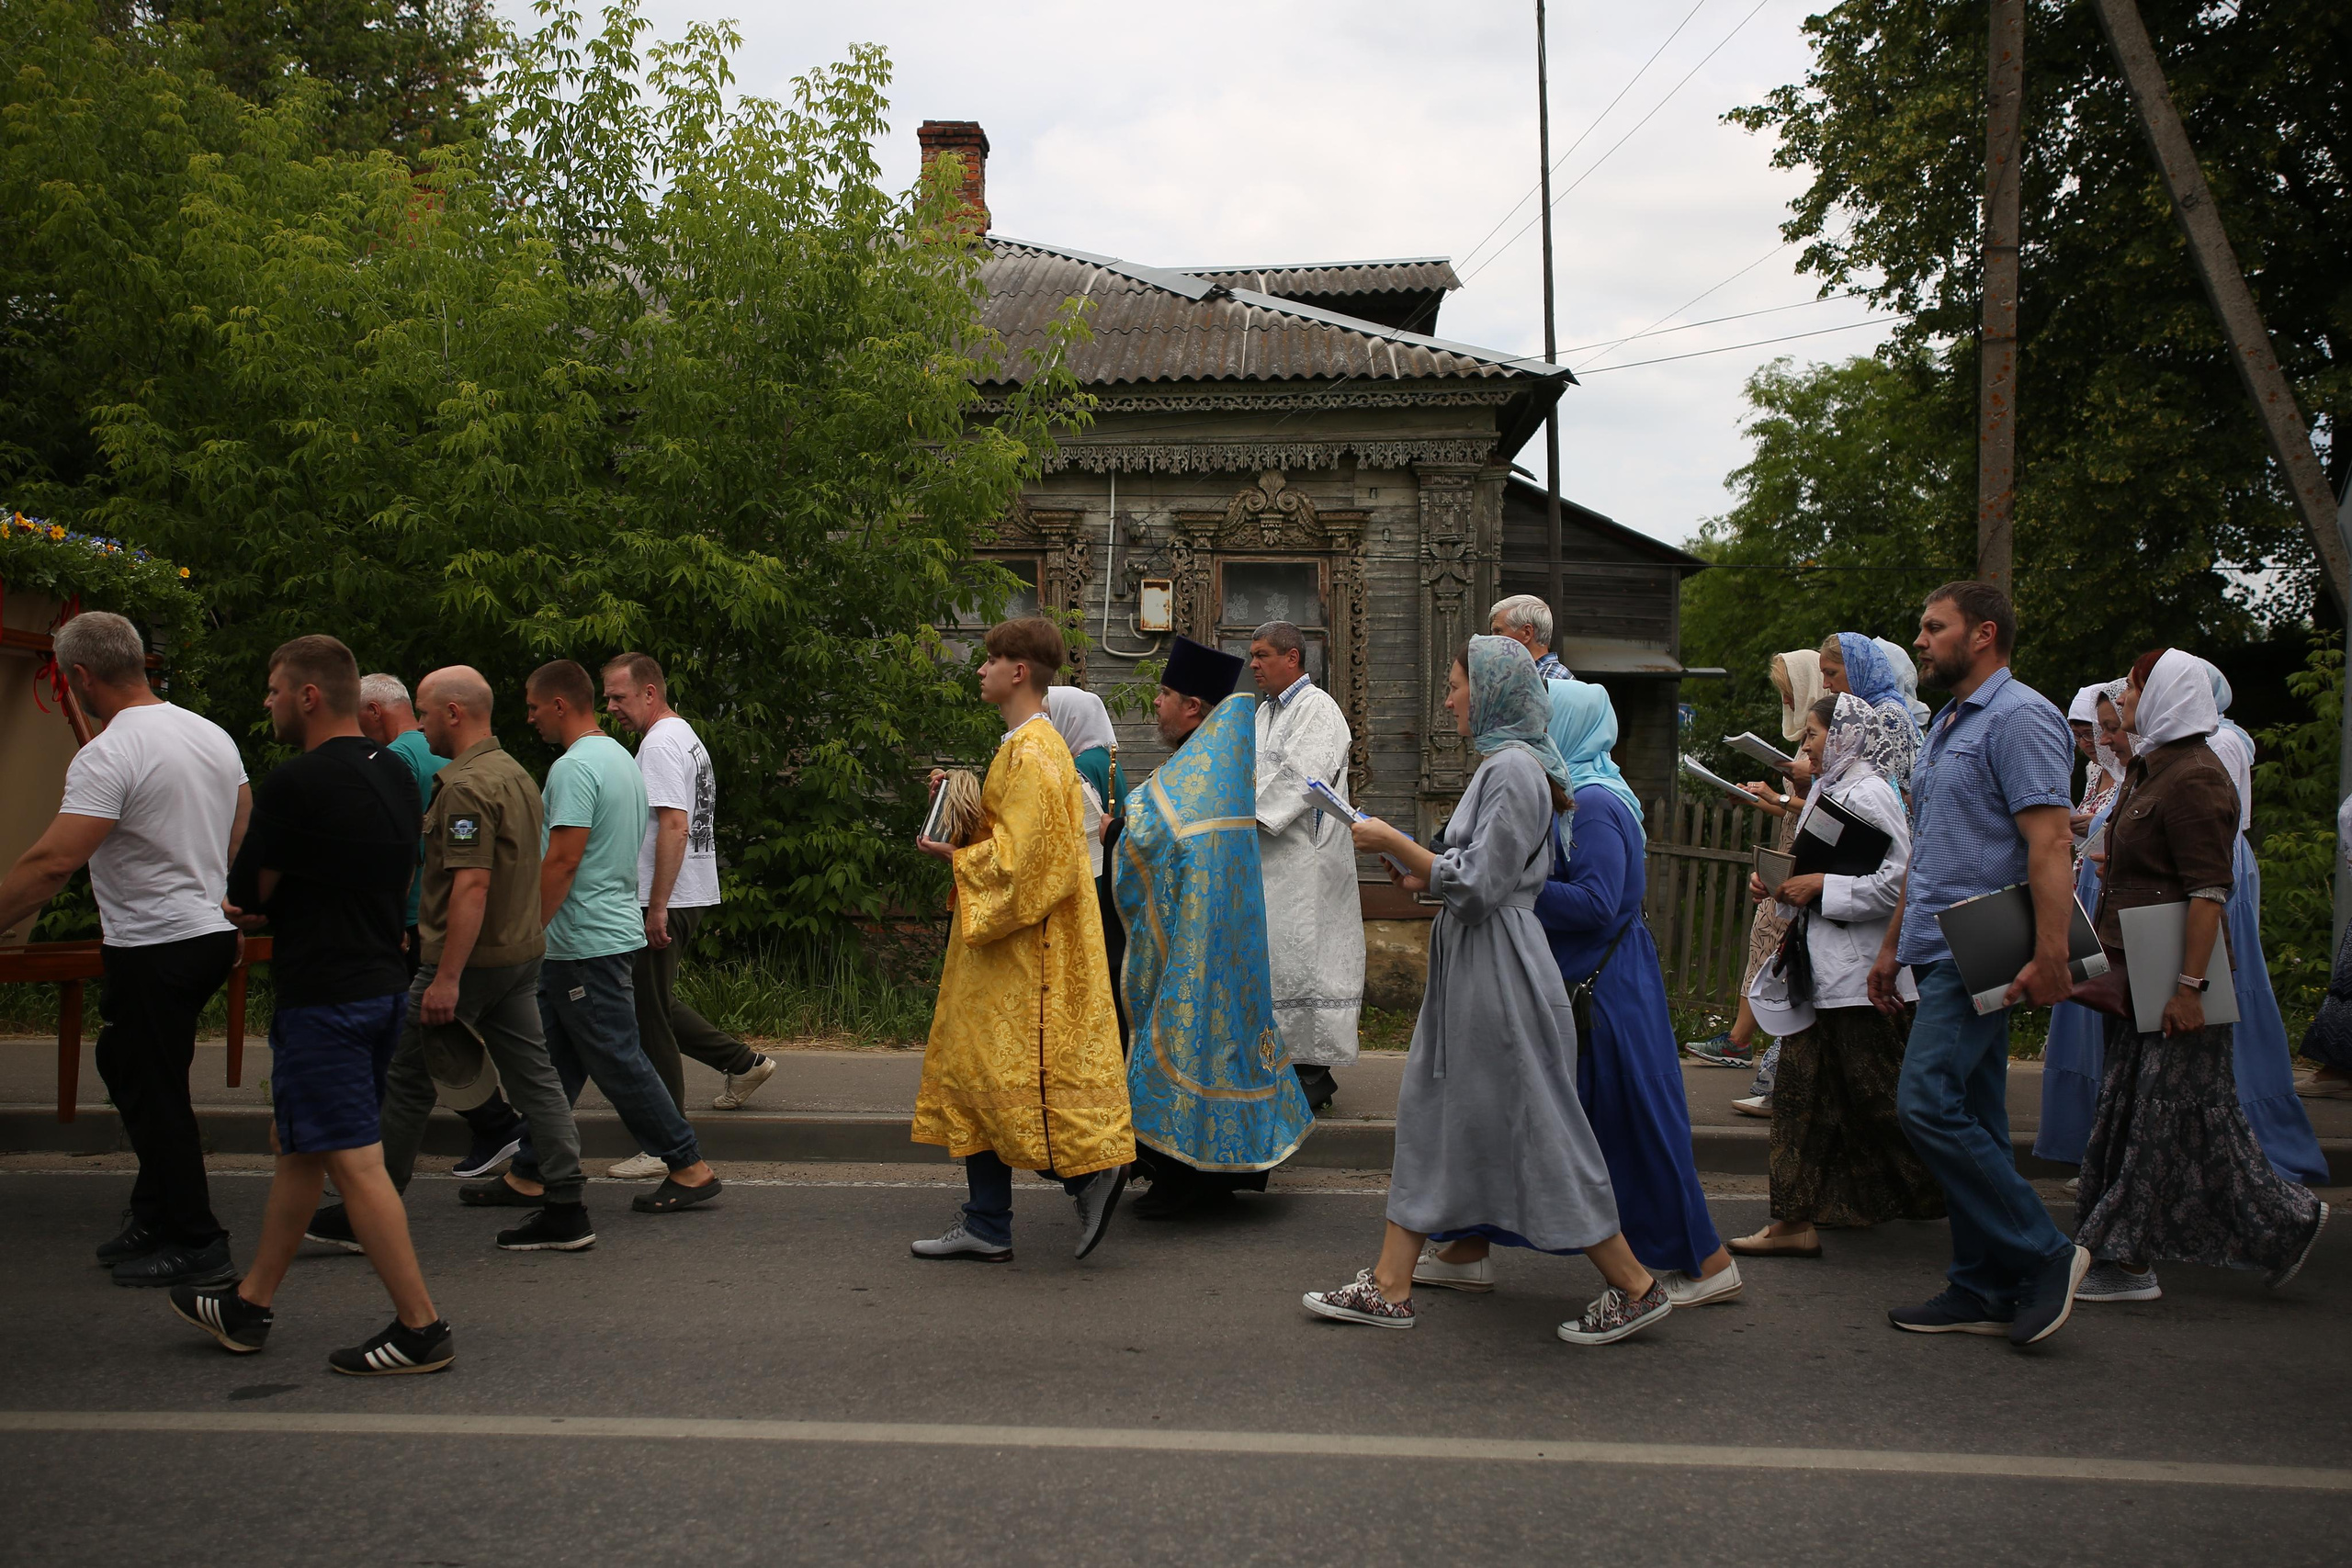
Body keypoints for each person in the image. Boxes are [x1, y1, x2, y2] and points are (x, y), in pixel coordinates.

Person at [1305, 637, 1670, 1346]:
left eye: (1455, 686)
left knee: (1540, 1124)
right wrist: (1421, 869)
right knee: (1437, 1109)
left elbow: (1477, 885)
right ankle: (1391, 1282)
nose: (1448, 701)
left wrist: (1393, 842)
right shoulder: (1512, 766)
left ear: (1494, 690)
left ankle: (1634, 1284)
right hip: (1485, 962)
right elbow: (1473, 872)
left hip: (1498, 969)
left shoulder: (1511, 769)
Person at [172, 636, 454, 1373]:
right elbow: (398, 875)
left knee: (355, 1163)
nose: (266, 702)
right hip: (382, 984)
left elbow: (247, 894)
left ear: (307, 694)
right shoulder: (398, 771)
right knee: (300, 1145)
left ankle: (421, 1327)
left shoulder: (295, 782)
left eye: (273, 689)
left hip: (324, 996)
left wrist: (273, 898)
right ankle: (249, 1303)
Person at [1869, 581, 2089, 1346]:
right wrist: (1894, 943)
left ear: (1985, 633)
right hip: (1938, 943)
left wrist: (2053, 952)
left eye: (1935, 626)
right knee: (1979, 1117)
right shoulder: (1948, 722)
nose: (1921, 640)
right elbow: (1930, 844)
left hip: (1987, 939)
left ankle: (2046, 1250)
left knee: (1926, 1102)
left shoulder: (2022, 716)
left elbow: (2050, 840)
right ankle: (1982, 1284)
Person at [0, 611, 249, 1287]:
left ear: (81, 676)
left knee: (153, 1087)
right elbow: (241, 815)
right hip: (202, 934)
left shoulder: (109, 752)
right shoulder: (208, 733)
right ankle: (155, 1211)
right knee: (129, 1065)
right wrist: (219, 890)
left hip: (155, 942)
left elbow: (53, 862)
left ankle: (198, 1240)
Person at [2072, 649, 2328, 1303]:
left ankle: (2125, 1261)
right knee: (2177, 1116)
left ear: (2164, 695)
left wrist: (2189, 989)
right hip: (2145, 957)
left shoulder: (2197, 777)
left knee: (2156, 1121)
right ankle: (2286, 1224)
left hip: (2179, 968)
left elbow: (2209, 891)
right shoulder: (2153, 767)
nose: (2124, 703)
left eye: (2134, 690)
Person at [319, 665, 595, 1254]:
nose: (419, 726)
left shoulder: (467, 787)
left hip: (469, 961)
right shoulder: (514, 773)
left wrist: (445, 977)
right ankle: (567, 1206)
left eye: (423, 713)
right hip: (517, 954)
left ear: (453, 713)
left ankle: (370, 1210)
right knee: (537, 1079)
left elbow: (471, 884)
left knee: (406, 1080)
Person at [909, 618, 1133, 1260]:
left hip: (1024, 956)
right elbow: (1015, 835)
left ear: (1020, 671)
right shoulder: (1025, 745)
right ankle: (987, 1221)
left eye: (992, 659)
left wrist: (954, 854)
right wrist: (962, 804)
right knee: (980, 1074)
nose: (981, 670)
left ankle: (1085, 1178)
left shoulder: (1033, 752)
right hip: (1007, 949)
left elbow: (1029, 866)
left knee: (1010, 1076)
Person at [1520, 678, 1737, 1307]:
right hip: (1601, 986)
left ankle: (1706, 1263)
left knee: (1637, 1125)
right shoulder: (1578, 797)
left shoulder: (1593, 804)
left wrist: (1515, 883)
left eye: (1546, 724)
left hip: (1610, 993)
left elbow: (1596, 903)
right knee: (1607, 1126)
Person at [476, 660, 721, 1214]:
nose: (531, 718)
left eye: (534, 708)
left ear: (559, 704)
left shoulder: (575, 768)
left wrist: (525, 929)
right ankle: (531, 1171)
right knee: (556, 1061)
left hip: (584, 939)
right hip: (595, 933)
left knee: (616, 1057)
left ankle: (687, 1165)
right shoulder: (618, 758)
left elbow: (563, 860)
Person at [1736, 694, 1943, 1260]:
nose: (1804, 746)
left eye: (1813, 734)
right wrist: (1778, 886)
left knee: (1884, 1104)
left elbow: (1901, 880)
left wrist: (1823, 887)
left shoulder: (1870, 794)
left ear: (1846, 733)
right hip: (1821, 974)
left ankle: (1974, 1198)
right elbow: (1811, 871)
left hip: (1860, 980)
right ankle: (1795, 1220)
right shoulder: (1829, 792)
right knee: (1801, 1099)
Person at [1116, 635, 1316, 1219]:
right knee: (1217, 1045)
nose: (1157, 704)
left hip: (1202, 939)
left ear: (1193, 707)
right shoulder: (1207, 762)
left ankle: (1188, 1181)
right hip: (1219, 933)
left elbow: (1156, 833)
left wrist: (1115, 831)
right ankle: (1201, 1175)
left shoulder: (1203, 770)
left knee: (1195, 1042)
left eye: (1166, 694)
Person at [601, 653, 779, 1154]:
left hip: (665, 896)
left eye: (618, 696)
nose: (610, 707)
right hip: (682, 891)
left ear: (650, 692)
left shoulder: (659, 744)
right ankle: (743, 1064)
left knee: (647, 1014)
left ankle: (666, 1144)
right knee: (649, 999)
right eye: (607, 697)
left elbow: (676, 825)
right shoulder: (682, 735)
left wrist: (656, 906)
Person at [359, 671, 526, 1179]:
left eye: (426, 712)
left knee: (411, 1057)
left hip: (428, 926)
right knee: (483, 1049)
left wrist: (393, 918)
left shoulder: (402, 760)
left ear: (373, 712)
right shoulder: (490, 765)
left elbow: (403, 851)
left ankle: (376, 1192)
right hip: (492, 936)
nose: (422, 724)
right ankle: (531, 1155)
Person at [2192, 659, 2326, 1186]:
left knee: (2231, 983)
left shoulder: (2221, 742)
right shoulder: (2206, 741)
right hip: (2216, 861)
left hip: (2218, 863)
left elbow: (2217, 820)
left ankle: (2248, 1120)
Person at [1686, 649, 1820, 1101]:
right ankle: (1744, 1039)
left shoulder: (1829, 739)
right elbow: (1794, 807)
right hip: (1790, 848)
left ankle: (1746, 1042)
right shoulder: (1808, 737)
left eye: (1789, 691)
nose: (1786, 701)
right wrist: (1757, 799)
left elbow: (1827, 807)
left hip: (1805, 856)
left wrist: (1776, 797)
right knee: (1765, 937)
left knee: (1772, 938)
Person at [1248, 619, 1364, 1111]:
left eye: (1262, 655)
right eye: (1252, 655)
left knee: (1308, 960)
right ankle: (1280, 1065)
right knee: (1276, 960)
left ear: (1292, 657)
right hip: (1270, 857)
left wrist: (1244, 815)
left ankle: (1313, 1073)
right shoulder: (1263, 713)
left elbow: (1300, 777)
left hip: (1307, 861)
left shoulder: (1319, 708)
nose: (1253, 664)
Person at [2036, 682, 2130, 1167]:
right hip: (2090, 896)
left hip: (2118, 908)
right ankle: (2088, 1145)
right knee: (2087, 1024)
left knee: (2108, 1026)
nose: (2094, 742)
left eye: (2101, 730)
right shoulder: (2102, 773)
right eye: (2085, 732)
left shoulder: (2149, 774)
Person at [1044, 684, 1129, 1050]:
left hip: (1090, 876)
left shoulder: (1081, 765)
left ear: (1071, 719)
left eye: (1051, 717)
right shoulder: (1107, 759)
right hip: (1112, 873)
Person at [1817, 631, 1920, 789]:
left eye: (1831, 673)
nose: (1825, 684)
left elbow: (1895, 792)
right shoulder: (1864, 713)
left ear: (1857, 669)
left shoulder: (1886, 715)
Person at [2063, 682, 2120, 848]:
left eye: (2090, 733)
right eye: (2077, 735)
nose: (2084, 743)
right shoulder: (2094, 769)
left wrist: (2098, 825)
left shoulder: (2131, 772)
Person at [1488, 593, 1572, 681]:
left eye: (1498, 632)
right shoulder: (1534, 675)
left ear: (1526, 633)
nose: (1491, 639)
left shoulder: (1544, 680)